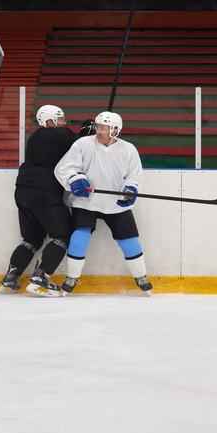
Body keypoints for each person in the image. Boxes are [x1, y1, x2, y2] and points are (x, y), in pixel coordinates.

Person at [54, 111, 153, 296]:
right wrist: (75, 179)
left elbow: (134, 174)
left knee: (129, 238)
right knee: (79, 235)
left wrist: (130, 189)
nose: (99, 131)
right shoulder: (83, 144)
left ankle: (141, 277)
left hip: (115, 203)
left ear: (115, 130)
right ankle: (71, 278)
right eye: (98, 127)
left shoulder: (128, 149)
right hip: (86, 201)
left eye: (104, 128)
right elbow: (64, 168)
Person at [0, 104, 86, 297]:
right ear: (49, 121)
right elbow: (81, 147)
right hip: (45, 192)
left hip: (22, 191)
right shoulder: (58, 134)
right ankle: (41, 277)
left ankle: (11, 277)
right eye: (60, 119)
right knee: (61, 235)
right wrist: (88, 131)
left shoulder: (35, 138)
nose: (64, 123)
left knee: (31, 239)